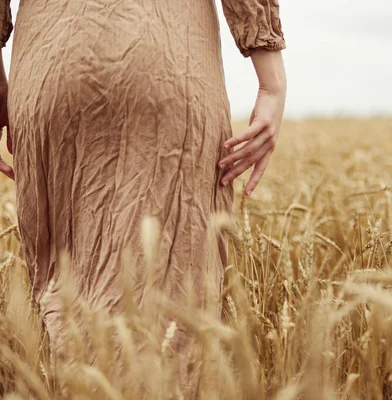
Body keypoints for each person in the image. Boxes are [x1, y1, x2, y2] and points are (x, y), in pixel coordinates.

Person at [0, 0, 286, 392]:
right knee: (173, 290)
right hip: (168, 59)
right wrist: (271, 84)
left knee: (71, 295)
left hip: (51, 64)